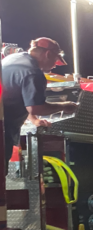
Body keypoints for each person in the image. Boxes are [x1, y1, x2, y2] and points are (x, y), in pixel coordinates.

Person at [1, 38, 78, 172]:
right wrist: (64, 106)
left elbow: (18, 96)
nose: (55, 65)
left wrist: (34, 120)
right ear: (48, 54)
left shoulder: (12, 59)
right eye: (55, 60)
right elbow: (36, 107)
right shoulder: (33, 72)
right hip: (3, 130)